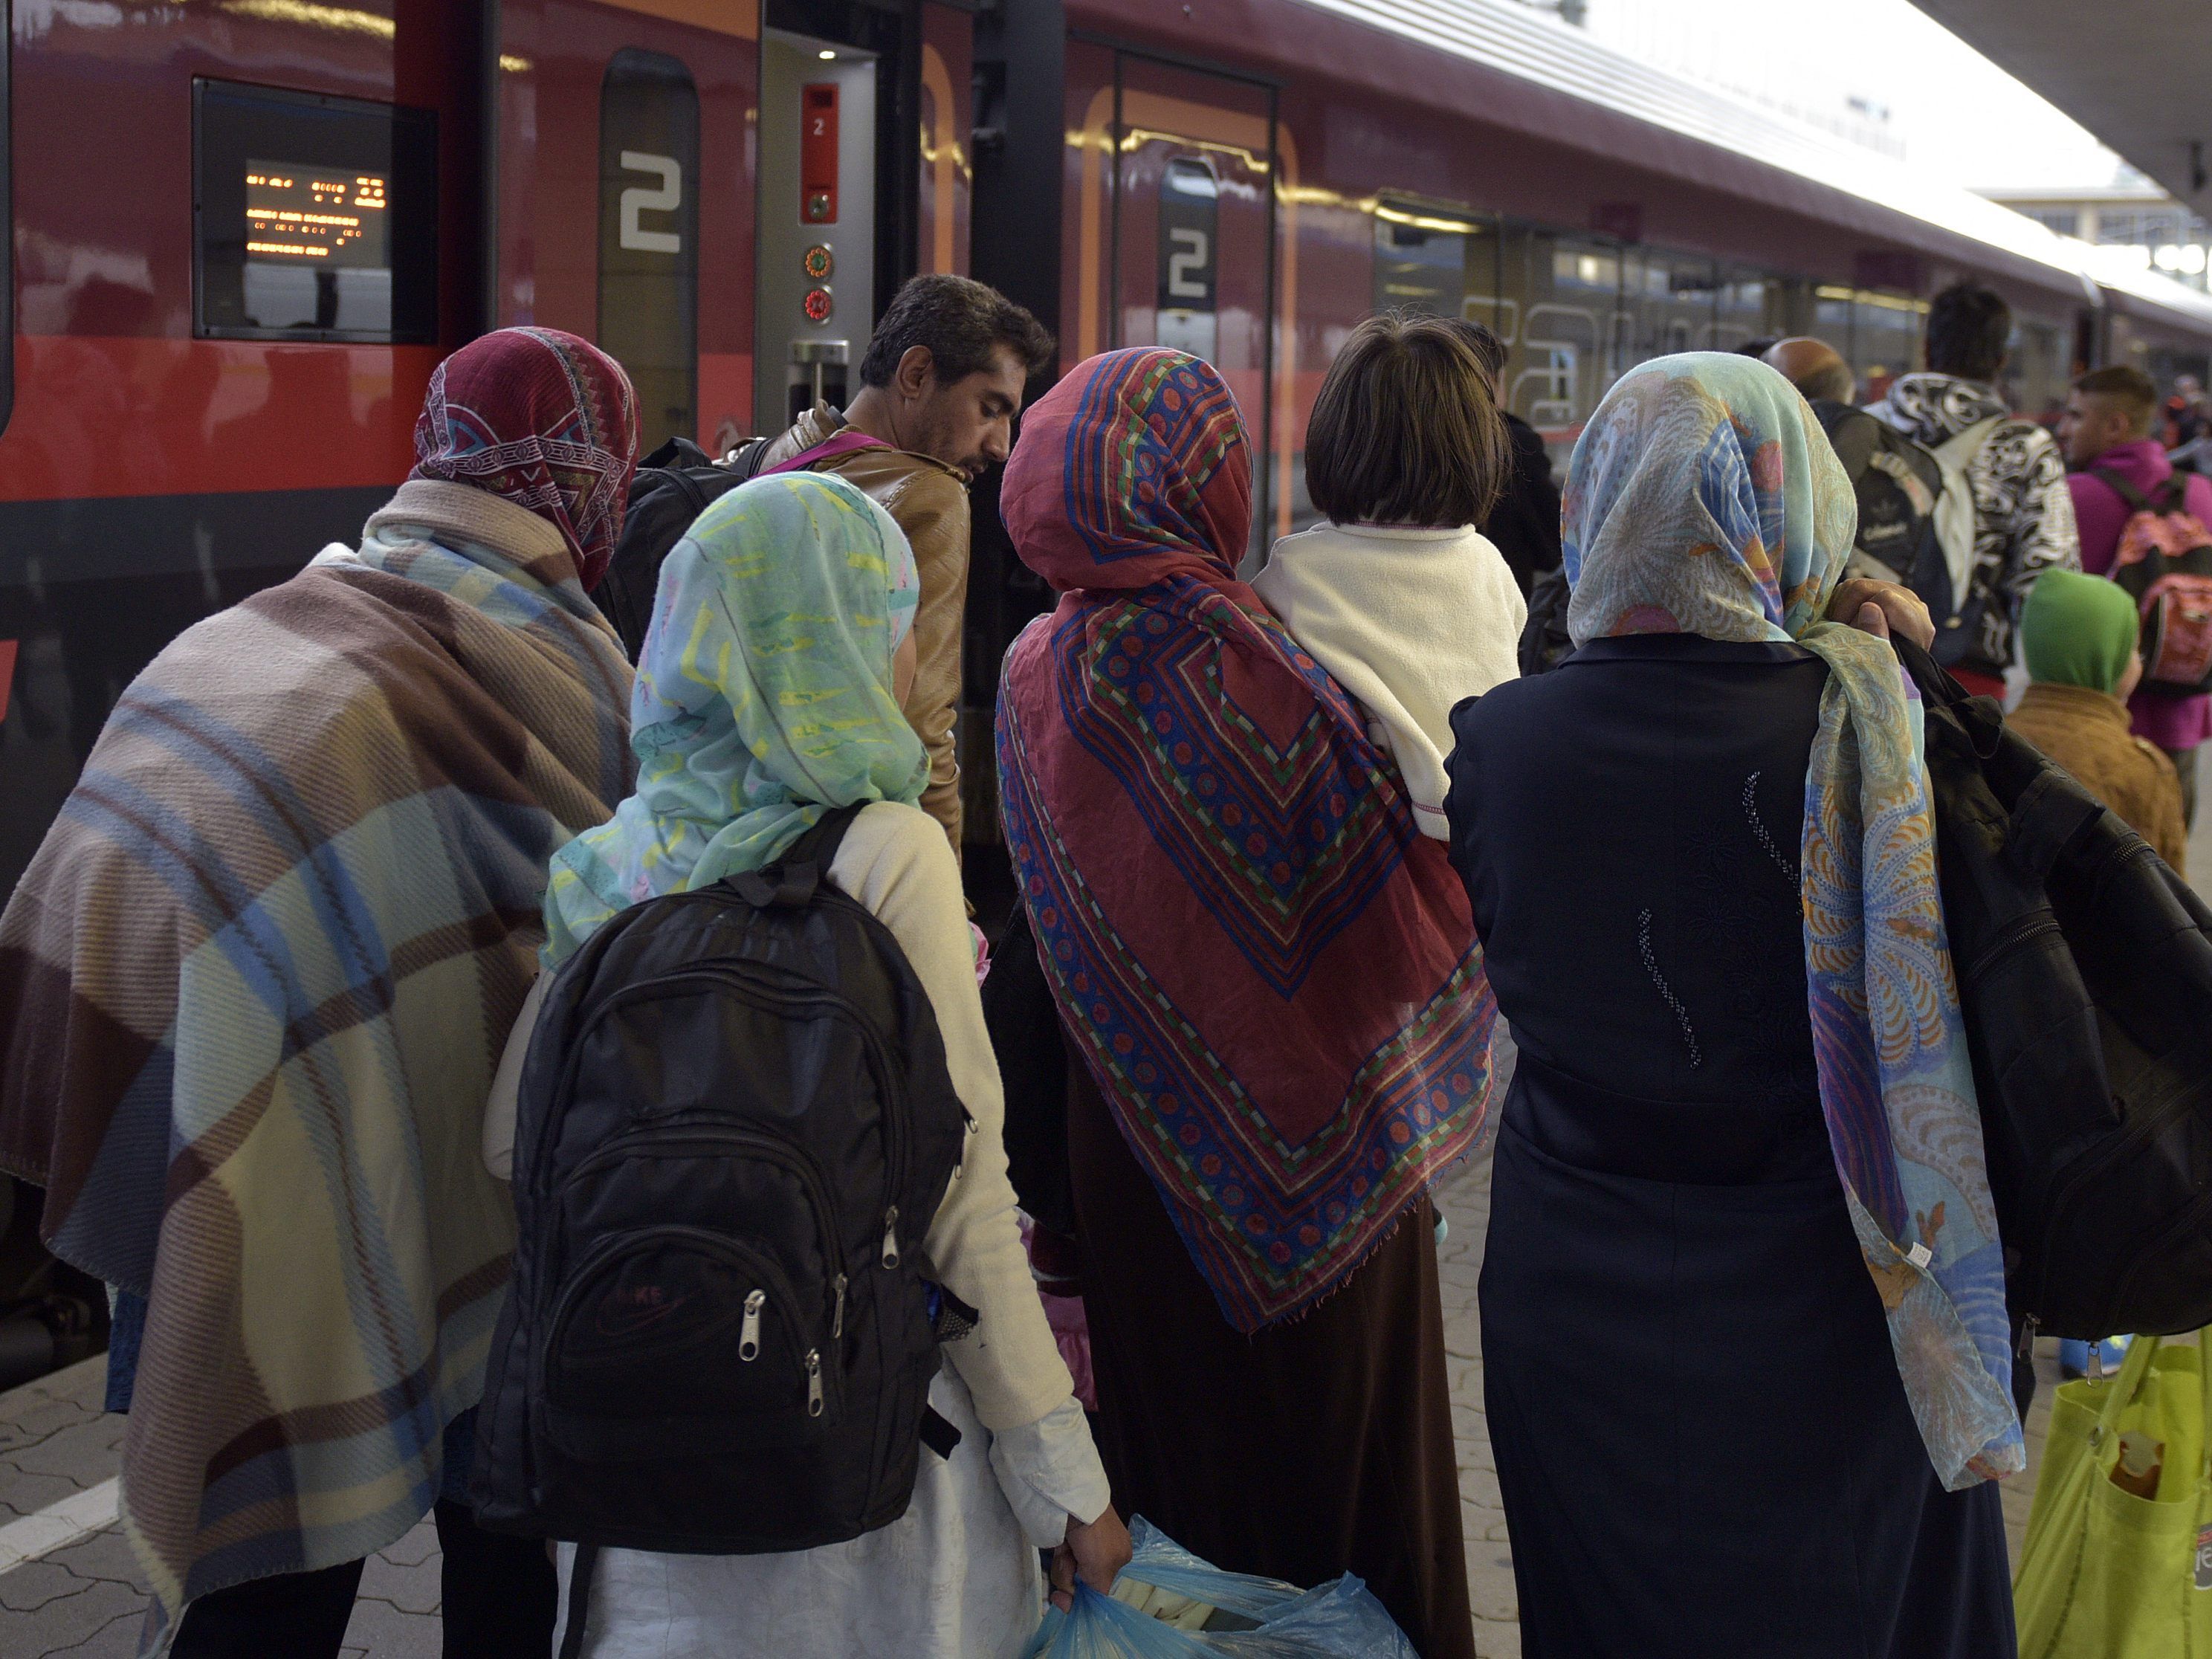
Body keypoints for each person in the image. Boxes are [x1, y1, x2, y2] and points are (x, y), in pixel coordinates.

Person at [0, 327, 642, 1654]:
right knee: (490, 1518)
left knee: (270, 1530)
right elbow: (593, 916)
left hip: (210, 1127)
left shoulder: (268, 617)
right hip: (422, 1163)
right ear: (594, 483)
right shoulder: (568, 669)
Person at [1445, 352, 2020, 1658]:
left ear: (1603, 498)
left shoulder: (1498, 745)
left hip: (1574, 1285)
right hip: (1839, 1288)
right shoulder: (1874, 728)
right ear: (1789, 501)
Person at [501, 470, 1126, 1658]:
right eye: (892, 629)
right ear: (832, 645)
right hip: (862, 1486)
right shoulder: (886, 852)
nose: (907, 666)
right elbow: (964, 1202)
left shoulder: (613, 860)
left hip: (640, 1506)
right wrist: (1069, 1491)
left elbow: (508, 1144)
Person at [995, 347, 1495, 1658]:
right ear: (1203, 481)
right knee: (1357, 1484)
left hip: (1131, 1154)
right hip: (1350, 1146)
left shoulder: (1038, 673)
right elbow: (1401, 904)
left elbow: (1050, 955)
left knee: (1176, 1485)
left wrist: (1047, 1218)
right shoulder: (1271, 662)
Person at [757, 274, 1055, 857]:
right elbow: (921, 732)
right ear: (916, 374)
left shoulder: (790, 450)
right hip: (841, 849)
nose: (1002, 445)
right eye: (990, 409)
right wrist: (945, 889)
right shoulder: (931, 497)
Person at [1252, 312, 1524, 839]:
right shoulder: (1489, 565)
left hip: (1363, 845)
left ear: (1334, 435)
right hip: (1489, 832)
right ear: (1478, 445)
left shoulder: (1296, 569)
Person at [1869, 282, 2080, 697]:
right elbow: (2051, 576)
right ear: (2001, 360)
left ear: (1927, 351)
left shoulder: (1864, 427)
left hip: (1862, 657)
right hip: (1967, 671)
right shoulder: (2027, 447)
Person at [2058, 363, 2212, 824]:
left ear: (2115, 427)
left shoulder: (2072, 496)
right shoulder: (2203, 494)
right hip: (2179, 718)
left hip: (2094, 724)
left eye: (2075, 415)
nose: (2064, 429)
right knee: (2165, 875)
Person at [2007, 568, 2188, 873]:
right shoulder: (2142, 772)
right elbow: (2172, 902)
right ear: (2107, 657)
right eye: (2131, 649)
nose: (2138, 662)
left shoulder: (1987, 742)